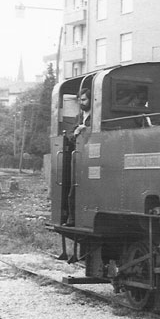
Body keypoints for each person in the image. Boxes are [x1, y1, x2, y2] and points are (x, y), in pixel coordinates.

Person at [64, 88, 92, 227]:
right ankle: (72, 218)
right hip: (78, 156)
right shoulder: (79, 117)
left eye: (84, 99)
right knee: (74, 188)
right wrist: (76, 132)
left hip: (92, 154)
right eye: (80, 100)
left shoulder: (96, 116)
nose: (81, 102)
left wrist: (86, 130)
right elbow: (69, 135)